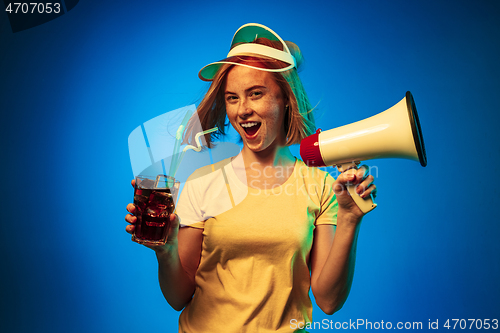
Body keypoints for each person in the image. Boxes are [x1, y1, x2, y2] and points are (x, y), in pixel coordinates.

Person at [125, 23, 377, 332]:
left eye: (255, 94)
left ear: (285, 98)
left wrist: (351, 218)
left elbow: (328, 301)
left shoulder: (322, 187)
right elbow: (179, 296)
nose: (242, 110)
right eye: (232, 98)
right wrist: (166, 250)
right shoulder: (203, 182)